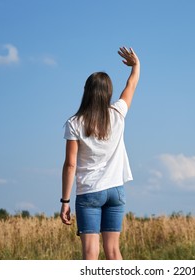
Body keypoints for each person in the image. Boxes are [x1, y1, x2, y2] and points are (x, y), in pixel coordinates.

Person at [60, 47, 140, 260]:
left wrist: (65, 201)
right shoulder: (117, 114)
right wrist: (136, 65)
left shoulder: (74, 123)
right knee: (114, 251)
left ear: (86, 91)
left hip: (89, 192)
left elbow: (70, 164)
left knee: (90, 253)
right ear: (109, 93)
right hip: (116, 191)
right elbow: (131, 85)